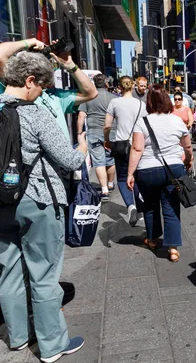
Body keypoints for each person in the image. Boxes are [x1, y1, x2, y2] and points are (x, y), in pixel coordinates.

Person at [0, 52, 87, 362]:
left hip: (2, 203)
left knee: (8, 272)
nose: (41, 93)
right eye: (41, 87)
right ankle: (52, 346)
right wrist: (83, 150)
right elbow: (67, 158)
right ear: (29, 81)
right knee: (44, 274)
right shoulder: (35, 114)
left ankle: (18, 338)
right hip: (37, 200)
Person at [127, 85, 193, 263]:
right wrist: (188, 160)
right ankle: (172, 248)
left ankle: (153, 239)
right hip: (173, 168)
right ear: (167, 100)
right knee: (171, 208)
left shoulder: (143, 121)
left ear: (149, 101)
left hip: (147, 170)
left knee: (150, 205)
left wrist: (130, 173)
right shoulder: (177, 120)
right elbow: (187, 146)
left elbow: (137, 148)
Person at [104, 76, 146, 227]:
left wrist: (107, 139)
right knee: (136, 176)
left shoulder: (114, 102)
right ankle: (140, 209)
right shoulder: (141, 104)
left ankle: (130, 206)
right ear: (132, 86)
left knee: (122, 178)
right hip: (137, 145)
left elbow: (107, 125)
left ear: (120, 87)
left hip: (120, 145)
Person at [77, 74, 117, 200]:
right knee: (110, 160)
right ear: (106, 84)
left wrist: (79, 133)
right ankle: (110, 184)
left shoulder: (88, 98)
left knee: (99, 162)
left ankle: (104, 190)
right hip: (110, 132)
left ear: (94, 84)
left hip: (93, 132)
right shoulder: (113, 98)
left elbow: (81, 116)